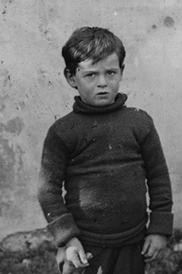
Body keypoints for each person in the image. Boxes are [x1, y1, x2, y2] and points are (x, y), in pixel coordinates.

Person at [38, 26, 173, 274]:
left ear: (121, 72)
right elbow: (48, 191)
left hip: (132, 240)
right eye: (90, 75)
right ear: (71, 77)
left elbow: (158, 177)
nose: (102, 83)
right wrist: (68, 238)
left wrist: (159, 227)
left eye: (110, 73)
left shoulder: (140, 122)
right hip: (85, 243)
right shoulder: (62, 131)